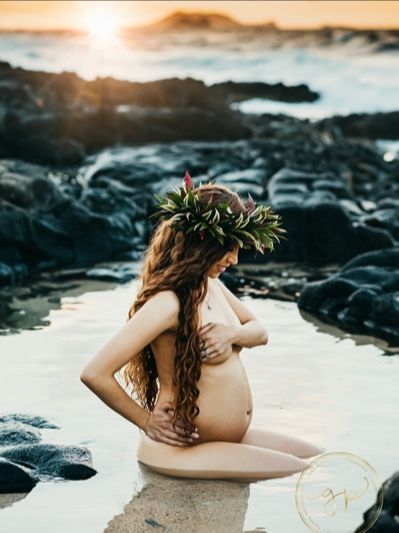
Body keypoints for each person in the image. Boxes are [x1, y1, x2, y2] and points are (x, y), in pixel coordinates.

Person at [80, 172, 325, 482]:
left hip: (223, 439)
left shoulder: (211, 286)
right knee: (308, 472)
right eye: (229, 248)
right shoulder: (168, 303)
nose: (234, 260)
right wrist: (147, 421)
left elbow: (260, 330)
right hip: (180, 450)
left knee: (319, 456)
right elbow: (94, 373)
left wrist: (233, 335)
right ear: (203, 245)